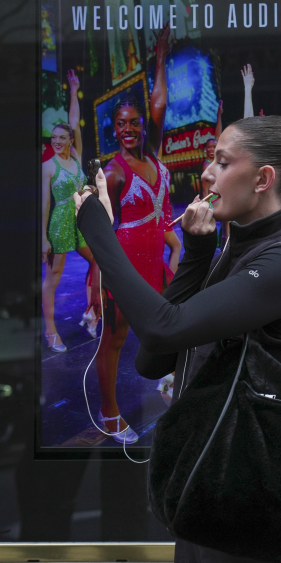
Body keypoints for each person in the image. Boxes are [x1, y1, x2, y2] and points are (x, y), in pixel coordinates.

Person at [74, 114, 281, 563]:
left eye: (222, 162)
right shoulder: (238, 253)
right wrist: (197, 255)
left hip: (263, 513)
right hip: (214, 501)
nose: (207, 175)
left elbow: (161, 326)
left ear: (263, 179)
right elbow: (153, 361)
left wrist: (98, 230)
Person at [96, 25, 171, 444]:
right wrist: (99, 278)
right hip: (124, 265)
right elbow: (100, 231)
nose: (129, 128)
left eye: (135, 122)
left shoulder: (154, 155)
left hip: (154, 262)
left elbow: (159, 102)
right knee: (115, 339)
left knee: (168, 327)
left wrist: (159, 60)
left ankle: (169, 381)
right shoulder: (113, 173)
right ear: (114, 129)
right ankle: (109, 414)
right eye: (121, 124)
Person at [41, 69, 100, 350]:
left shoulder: (75, 157)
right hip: (60, 223)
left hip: (80, 219)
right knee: (53, 278)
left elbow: (75, 121)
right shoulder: (48, 167)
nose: (57, 141)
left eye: (62, 138)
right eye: (54, 138)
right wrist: (44, 239)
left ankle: (91, 313)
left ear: (70, 142)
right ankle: (51, 331)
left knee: (98, 260)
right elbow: (44, 204)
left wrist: (74, 89)